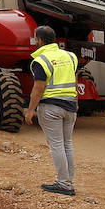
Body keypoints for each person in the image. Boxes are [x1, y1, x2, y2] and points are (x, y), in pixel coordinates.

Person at [24, 25, 79, 196]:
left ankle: (63, 184)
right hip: (70, 106)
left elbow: (38, 88)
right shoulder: (71, 57)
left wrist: (30, 110)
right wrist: (76, 102)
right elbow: (75, 81)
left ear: (39, 40)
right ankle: (68, 181)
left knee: (56, 145)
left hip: (51, 108)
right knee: (67, 144)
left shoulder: (41, 60)